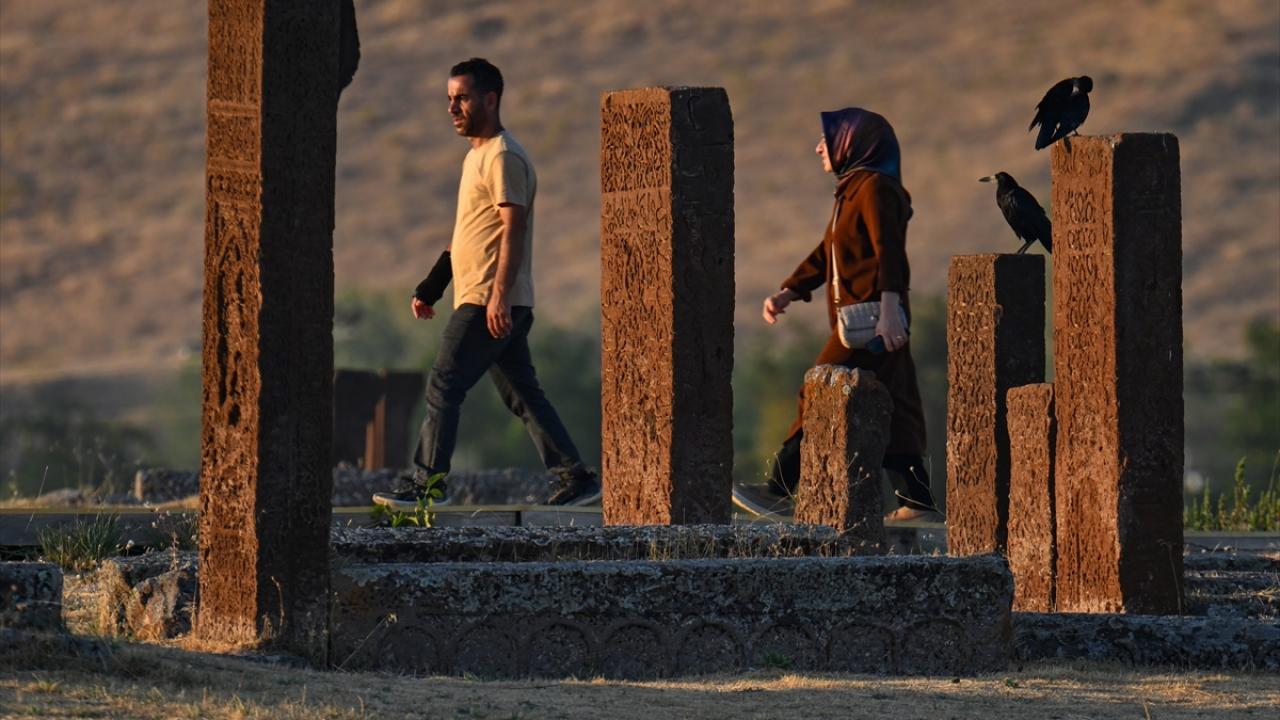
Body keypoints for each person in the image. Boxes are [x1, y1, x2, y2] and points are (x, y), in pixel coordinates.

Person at [373, 58, 600, 510]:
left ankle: (426, 485)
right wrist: (432, 286)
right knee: (522, 394)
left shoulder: (503, 156)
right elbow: (468, 235)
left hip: (489, 301)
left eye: (462, 98)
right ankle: (575, 476)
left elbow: (512, 227)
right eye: (449, 99)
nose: (453, 107)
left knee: (444, 383)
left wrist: (498, 295)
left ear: (490, 99)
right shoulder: (477, 156)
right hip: (487, 296)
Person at [731, 107, 937, 522]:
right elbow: (829, 253)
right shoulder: (853, 190)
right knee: (899, 403)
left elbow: (889, 251)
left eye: (828, 139)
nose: (819, 147)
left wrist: (891, 311)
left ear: (852, 143)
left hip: (874, 318)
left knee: (819, 386)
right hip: (870, 316)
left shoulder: (876, 188)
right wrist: (791, 290)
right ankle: (916, 501)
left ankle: (780, 488)